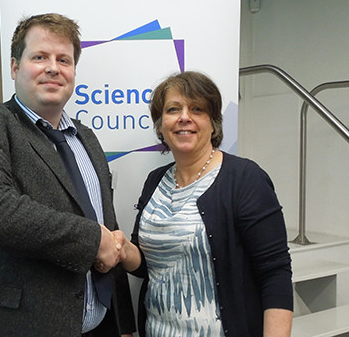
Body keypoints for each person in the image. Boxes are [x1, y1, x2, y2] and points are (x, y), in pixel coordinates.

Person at [0, 13, 135, 336]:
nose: (53, 68)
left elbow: (107, 227)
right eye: (40, 57)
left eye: (64, 59)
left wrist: (123, 323)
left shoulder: (86, 138)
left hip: (98, 326)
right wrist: (93, 240)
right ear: (15, 67)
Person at [108, 71, 293, 336]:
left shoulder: (244, 178)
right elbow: (149, 266)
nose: (185, 117)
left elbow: (275, 273)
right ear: (161, 125)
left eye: (197, 109)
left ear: (214, 123)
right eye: (173, 109)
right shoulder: (155, 181)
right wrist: (123, 249)